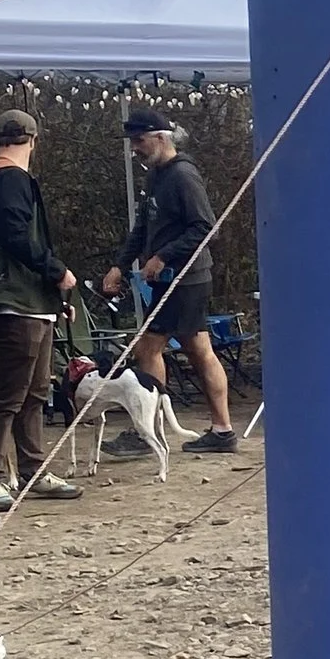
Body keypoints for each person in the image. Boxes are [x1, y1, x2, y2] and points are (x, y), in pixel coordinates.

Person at [102, 108, 235, 451]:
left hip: (186, 278)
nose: (135, 149)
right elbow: (143, 227)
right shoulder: (156, 176)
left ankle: (148, 434)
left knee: (148, 348)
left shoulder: (183, 176)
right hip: (169, 279)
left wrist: (163, 256)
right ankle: (222, 431)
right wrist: (121, 264)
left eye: (139, 140)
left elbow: (206, 227)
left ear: (161, 138)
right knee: (198, 349)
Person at [0, 101, 79, 503]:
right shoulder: (10, 178)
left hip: (31, 301)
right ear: (32, 141)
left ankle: (33, 470)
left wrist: (51, 297)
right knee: (11, 395)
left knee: (34, 394)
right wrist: (55, 270)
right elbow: (17, 237)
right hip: (15, 300)